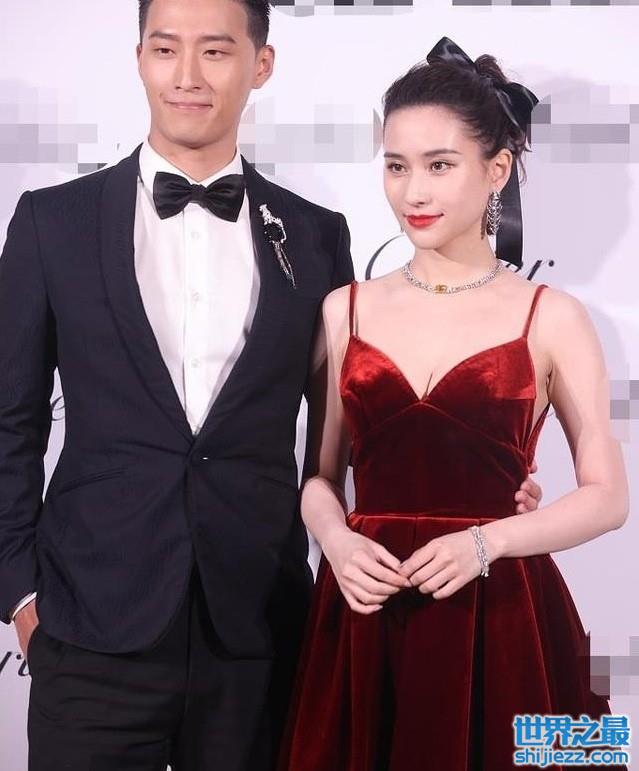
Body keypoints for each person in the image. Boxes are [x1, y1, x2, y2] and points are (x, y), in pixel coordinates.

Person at [0, 1, 541, 766]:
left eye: (216, 51)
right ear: (139, 58)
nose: (188, 76)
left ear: (261, 64)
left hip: (257, 631)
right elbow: (11, 423)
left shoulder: (315, 235)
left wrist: (483, 479)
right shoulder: (52, 222)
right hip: (88, 630)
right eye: (165, 49)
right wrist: (21, 597)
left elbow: (351, 428)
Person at [277, 37, 629, 771]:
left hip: (503, 613)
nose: (414, 192)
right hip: (366, 606)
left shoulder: (552, 316)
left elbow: (608, 498)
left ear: (496, 169)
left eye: (439, 165)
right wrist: (337, 541)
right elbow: (319, 476)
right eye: (396, 166)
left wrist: (486, 542)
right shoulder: (345, 309)